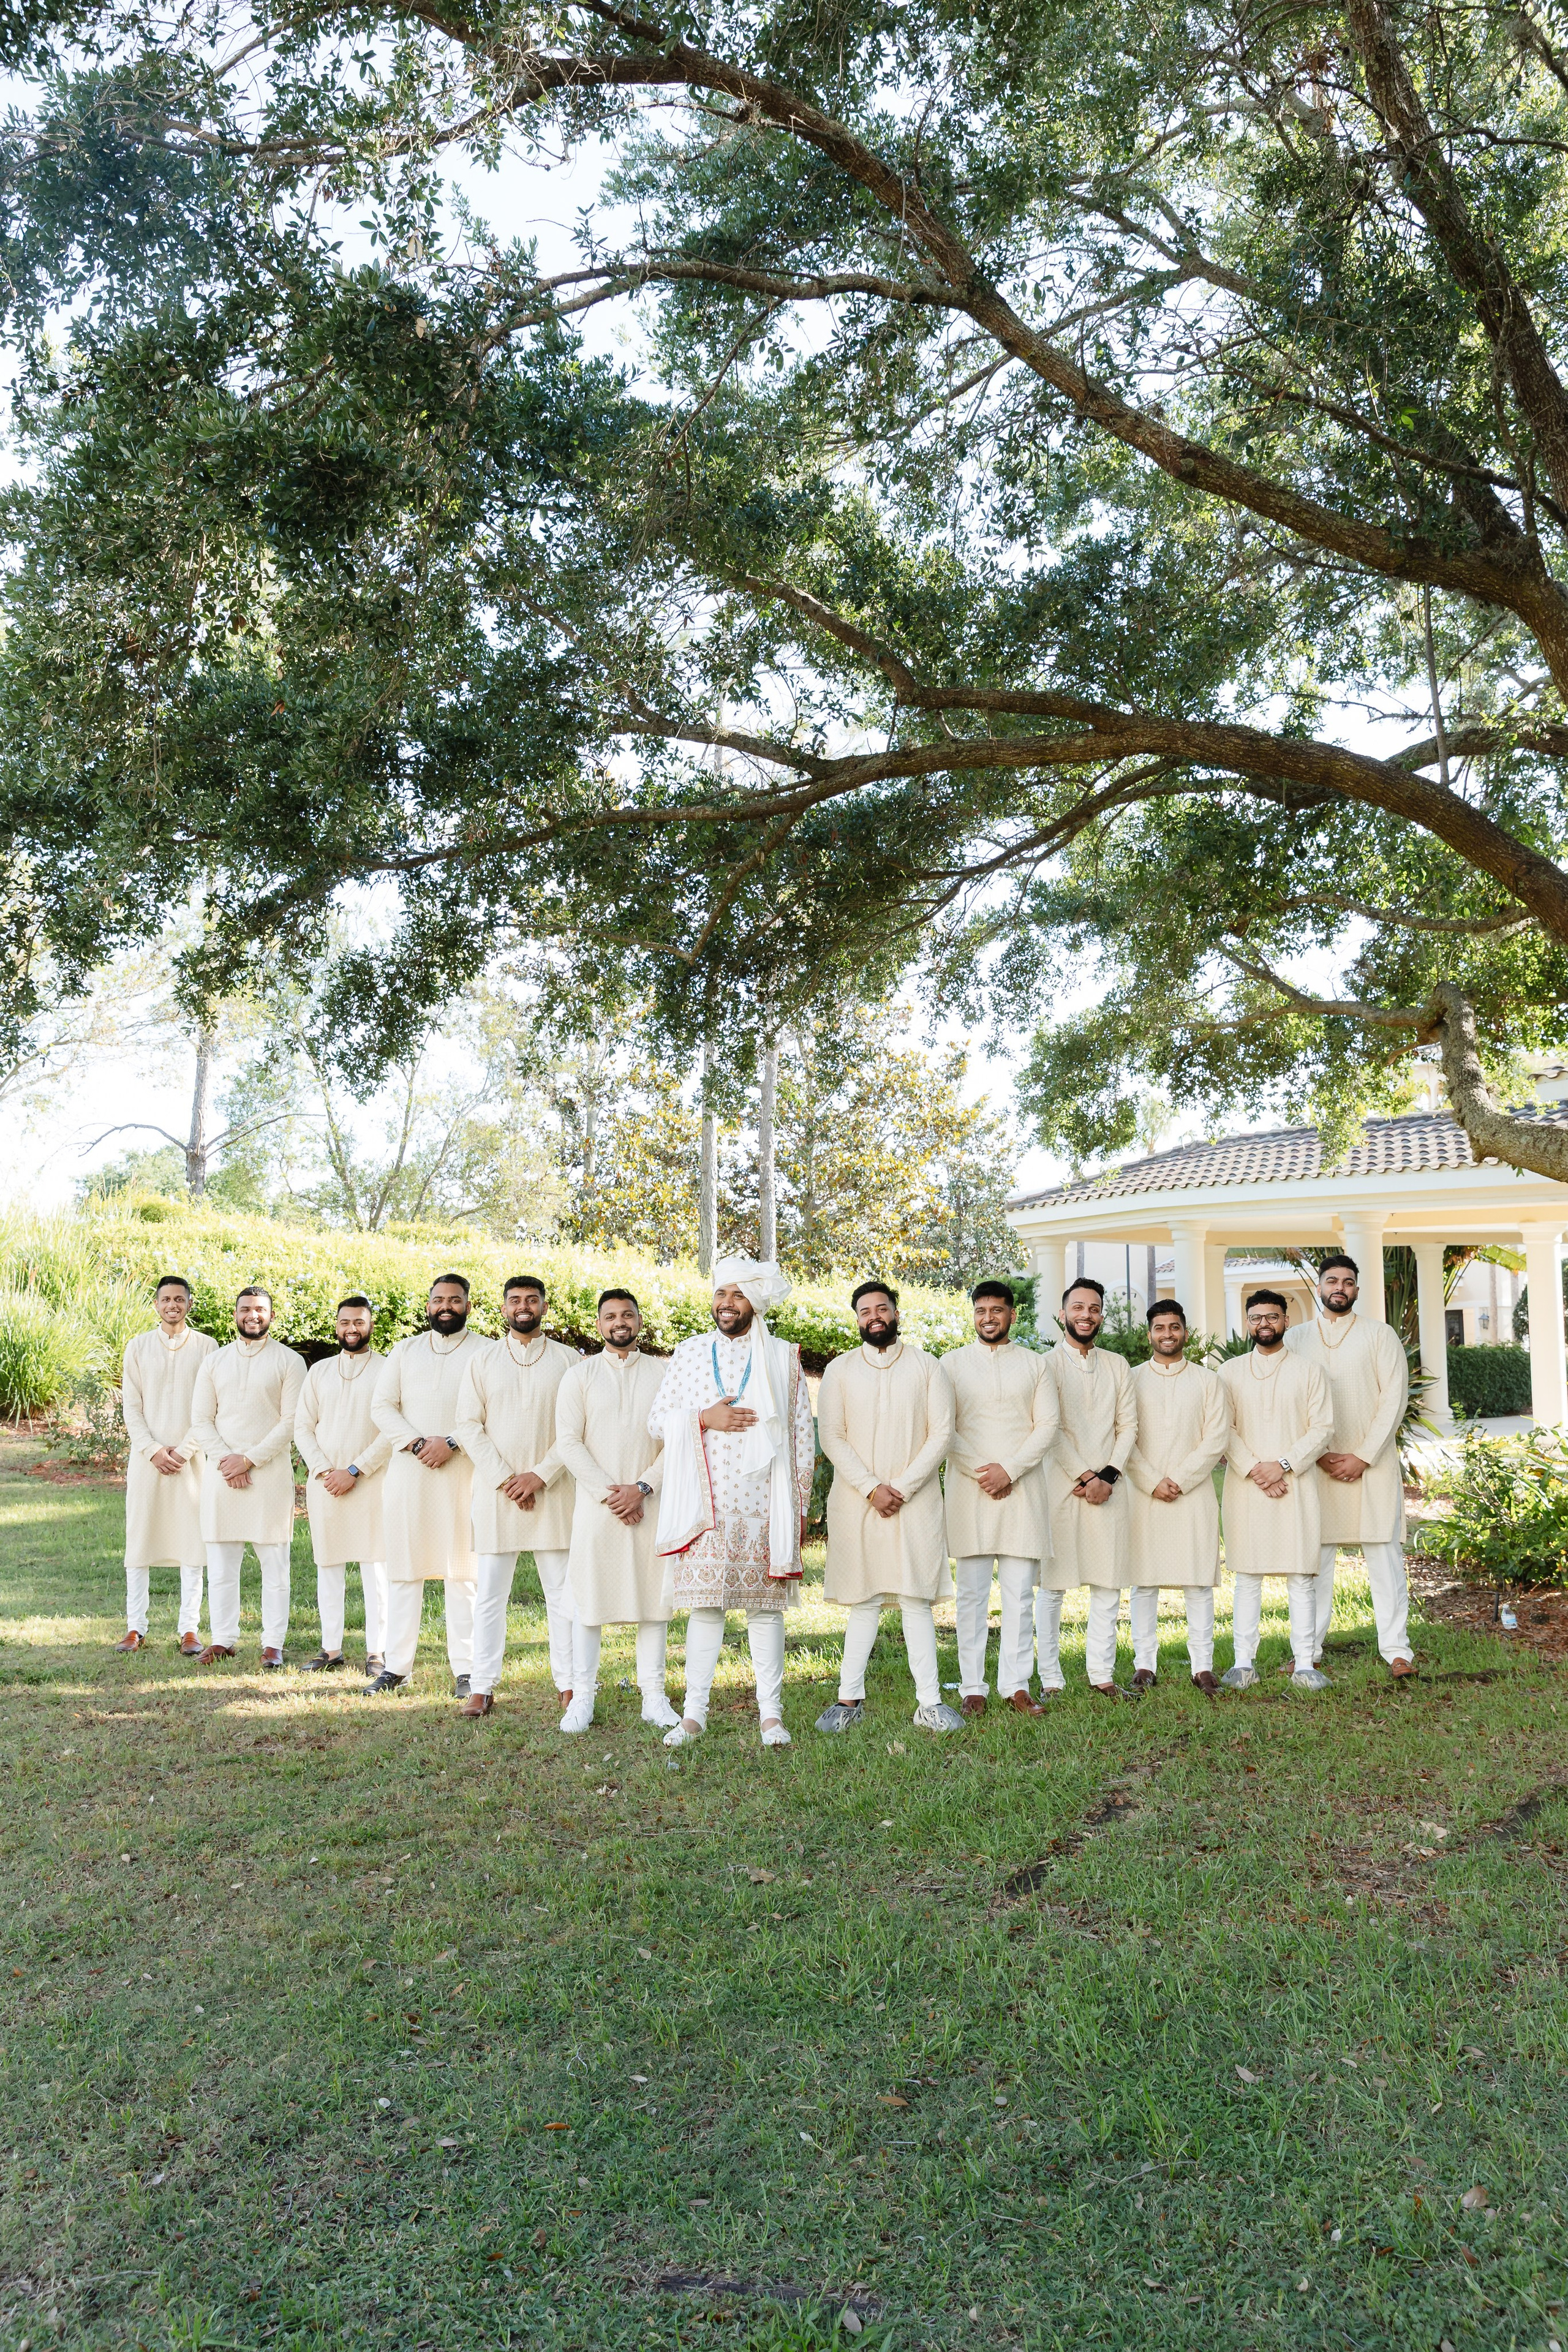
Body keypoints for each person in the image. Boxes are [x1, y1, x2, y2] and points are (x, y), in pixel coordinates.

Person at [649, 1255, 815, 1748]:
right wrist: (702, 1419)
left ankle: (771, 1717)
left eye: (738, 1295)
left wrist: (799, 1505)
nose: (727, 1303)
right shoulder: (690, 1352)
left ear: (755, 1303)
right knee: (705, 1610)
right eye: (721, 1293)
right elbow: (658, 1420)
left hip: (766, 1505)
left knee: (765, 1612)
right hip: (707, 1507)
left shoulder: (784, 1356)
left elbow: (803, 1432)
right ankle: (693, 1715)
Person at [815, 1281, 963, 1735]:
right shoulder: (840, 1371)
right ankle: (848, 1699)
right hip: (856, 1502)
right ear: (857, 1318)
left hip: (914, 1502)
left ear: (897, 1313)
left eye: (882, 1308)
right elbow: (832, 1436)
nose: (874, 1316)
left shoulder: (927, 1367)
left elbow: (941, 1434)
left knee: (917, 1598)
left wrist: (899, 1487)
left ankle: (930, 1703)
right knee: (865, 1599)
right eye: (865, 1310)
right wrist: (871, 1488)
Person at [1283, 1253, 1416, 1680]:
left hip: (1371, 1466)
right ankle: (1309, 1650)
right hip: (1315, 1467)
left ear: (1357, 1289)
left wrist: (1362, 1456)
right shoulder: (1296, 1339)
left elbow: (1393, 1400)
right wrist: (1316, 1454)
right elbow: (1288, 1404)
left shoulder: (1381, 1336)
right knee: (1314, 1562)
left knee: (1384, 1557)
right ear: (1319, 1287)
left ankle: (1398, 1652)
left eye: (1348, 1282)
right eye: (1332, 1281)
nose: (1339, 1288)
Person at [454, 1274, 578, 1719]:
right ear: (503, 1308)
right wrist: (509, 1479)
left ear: (545, 1307)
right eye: (514, 1301)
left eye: (531, 1300)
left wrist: (540, 1477)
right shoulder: (483, 1361)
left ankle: (570, 1685)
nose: (523, 1306)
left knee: (562, 1594)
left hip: (555, 1490)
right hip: (497, 1494)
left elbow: (576, 1431)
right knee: (489, 1594)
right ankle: (482, 1686)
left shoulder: (569, 1361)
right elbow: (468, 1426)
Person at [552, 1289, 671, 1735]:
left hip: (651, 1503)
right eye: (610, 1316)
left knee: (653, 1601)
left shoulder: (663, 1374)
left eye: (627, 1314)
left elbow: (675, 1442)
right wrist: (611, 1494)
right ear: (598, 1324)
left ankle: (654, 1698)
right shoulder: (579, 1377)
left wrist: (642, 1488)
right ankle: (582, 1698)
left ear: (639, 1320)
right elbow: (568, 1442)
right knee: (589, 1601)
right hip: (596, 1507)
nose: (619, 1322)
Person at [942, 1278, 1058, 1714]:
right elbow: (943, 1429)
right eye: (980, 1311)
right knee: (971, 1595)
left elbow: (1046, 1426)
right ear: (974, 1315)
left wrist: (1008, 1470)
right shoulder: (950, 1365)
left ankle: (1016, 1685)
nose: (988, 1318)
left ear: (1013, 1314)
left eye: (996, 1310)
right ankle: (972, 1686)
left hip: (1022, 1490)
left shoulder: (1034, 1365)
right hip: (969, 1490)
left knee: (1019, 1595)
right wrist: (984, 1472)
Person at [368, 1275, 487, 1695]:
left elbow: (491, 1412)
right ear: (428, 1306)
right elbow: (381, 1405)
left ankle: (468, 1671)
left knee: (463, 1574)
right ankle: (396, 1667)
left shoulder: (486, 1352)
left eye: (455, 1300)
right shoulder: (404, 1351)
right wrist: (418, 1441)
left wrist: (451, 1442)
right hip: (409, 1472)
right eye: (439, 1300)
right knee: (404, 1570)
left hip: (466, 1472)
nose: (447, 1307)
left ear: (469, 1307)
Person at [1218, 1290, 1335, 1689]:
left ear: (1285, 1320)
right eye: (1256, 1317)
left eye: (1272, 1316)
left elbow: (1322, 1429)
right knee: (1248, 1577)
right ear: (1247, 1322)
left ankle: (1306, 1664)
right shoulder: (1229, 1373)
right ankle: (1243, 1664)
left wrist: (1282, 1465)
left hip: (1295, 1484)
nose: (1264, 1323)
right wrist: (1256, 1469)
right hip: (1247, 1488)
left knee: (1300, 1576)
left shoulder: (1309, 1371)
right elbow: (1223, 1430)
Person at [187, 1287, 306, 1665]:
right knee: (221, 1565)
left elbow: (291, 1422)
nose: (252, 1315)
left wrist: (250, 1461)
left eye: (260, 1310)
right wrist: (228, 1461)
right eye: (245, 1309)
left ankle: (273, 1643)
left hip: (268, 1476)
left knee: (275, 1565)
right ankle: (223, 1638)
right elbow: (201, 1421)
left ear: (271, 1315)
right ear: (235, 1314)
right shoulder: (215, 1361)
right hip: (222, 1476)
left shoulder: (289, 1362)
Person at [1125, 1300, 1229, 1694]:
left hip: (1194, 1492)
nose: (1167, 1334)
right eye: (1159, 1328)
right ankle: (1144, 1666)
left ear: (1185, 1331)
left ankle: (1202, 1666)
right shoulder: (1130, 1380)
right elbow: (1124, 1437)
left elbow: (1216, 1436)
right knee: (1144, 1581)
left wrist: (1181, 1479)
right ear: (1149, 1333)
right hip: (1143, 1493)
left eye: (1174, 1327)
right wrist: (1151, 1480)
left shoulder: (1207, 1381)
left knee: (1198, 1580)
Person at [1041, 1277, 1138, 1698]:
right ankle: (1051, 1678)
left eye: (1094, 1308)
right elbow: (1051, 1429)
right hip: (1060, 1485)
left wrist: (1109, 1476)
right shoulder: (1044, 1365)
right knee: (1052, 1586)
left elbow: (1129, 1425)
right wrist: (1085, 1476)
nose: (1086, 1315)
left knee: (1107, 1582)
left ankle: (1102, 1674)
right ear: (1062, 1314)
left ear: (1101, 1315)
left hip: (1112, 1486)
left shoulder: (1117, 1365)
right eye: (1077, 1307)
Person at [117, 1275, 217, 1656]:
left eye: (179, 1299)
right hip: (147, 1462)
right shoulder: (138, 1348)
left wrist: (186, 1450)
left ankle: (189, 1630)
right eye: (166, 1299)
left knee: (193, 1544)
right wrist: (153, 1450)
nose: (172, 1305)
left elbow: (211, 1407)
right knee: (140, 1540)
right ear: (156, 1305)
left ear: (189, 1304)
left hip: (192, 1462)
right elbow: (132, 1407)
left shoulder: (209, 1348)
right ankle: (134, 1627)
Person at [293, 1295, 391, 1675]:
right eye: (345, 1322)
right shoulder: (318, 1372)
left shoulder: (387, 1369)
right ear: (337, 1325)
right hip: (325, 1483)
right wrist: (324, 1471)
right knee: (328, 1566)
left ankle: (377, 1652)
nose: (352, 1329)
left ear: (370, 1325)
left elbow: (391, 1431)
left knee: (375, 1568)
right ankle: (330, 1649)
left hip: (371, 1482)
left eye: (359, 1322)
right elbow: (303, 1427)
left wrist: (354, 1470)